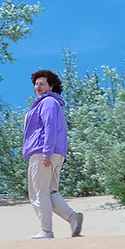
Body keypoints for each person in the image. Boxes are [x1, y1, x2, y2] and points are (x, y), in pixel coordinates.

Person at [20, 69, 82, 238]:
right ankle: (73, 218)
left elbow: (49, 126)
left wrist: (46, 152)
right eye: (36, 84)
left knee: (38, 192)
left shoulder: (47, 102)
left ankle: (46, 231)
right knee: (50, 191)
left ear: (51, 86)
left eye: (42, 84)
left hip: (43, 152)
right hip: (55, 153)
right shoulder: (53, 103)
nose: (38, 87)